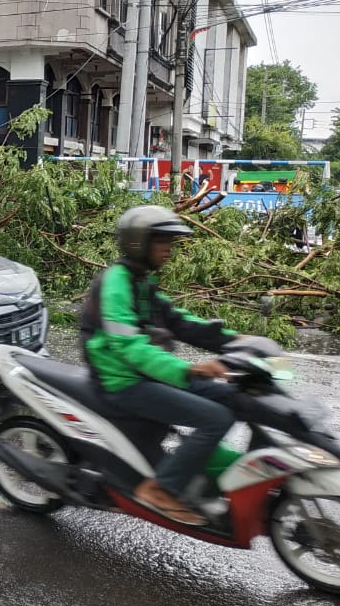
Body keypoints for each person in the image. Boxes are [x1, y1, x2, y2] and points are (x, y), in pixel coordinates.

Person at [80, 205, 241, 527]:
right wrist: (187, 370)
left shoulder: (141, 281)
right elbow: (128, 345)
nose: (168, 249)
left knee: (233, 398)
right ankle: (161, 489)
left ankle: (213, 476)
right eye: (161, 241)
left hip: (148, 373)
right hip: (123, 381)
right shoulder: (116, 282)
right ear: (139, 242)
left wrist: (235, 341)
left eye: (170, 241)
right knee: (215, 417)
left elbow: (178, 321)